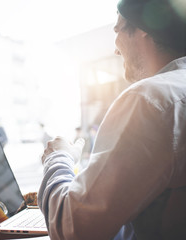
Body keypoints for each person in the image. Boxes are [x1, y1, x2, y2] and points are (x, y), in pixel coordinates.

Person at [38, 0, 186, 239]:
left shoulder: (149, 100)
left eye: (117, 29)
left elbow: (74, 227)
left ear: (144, 27)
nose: (116, 49)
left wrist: (58, 158)